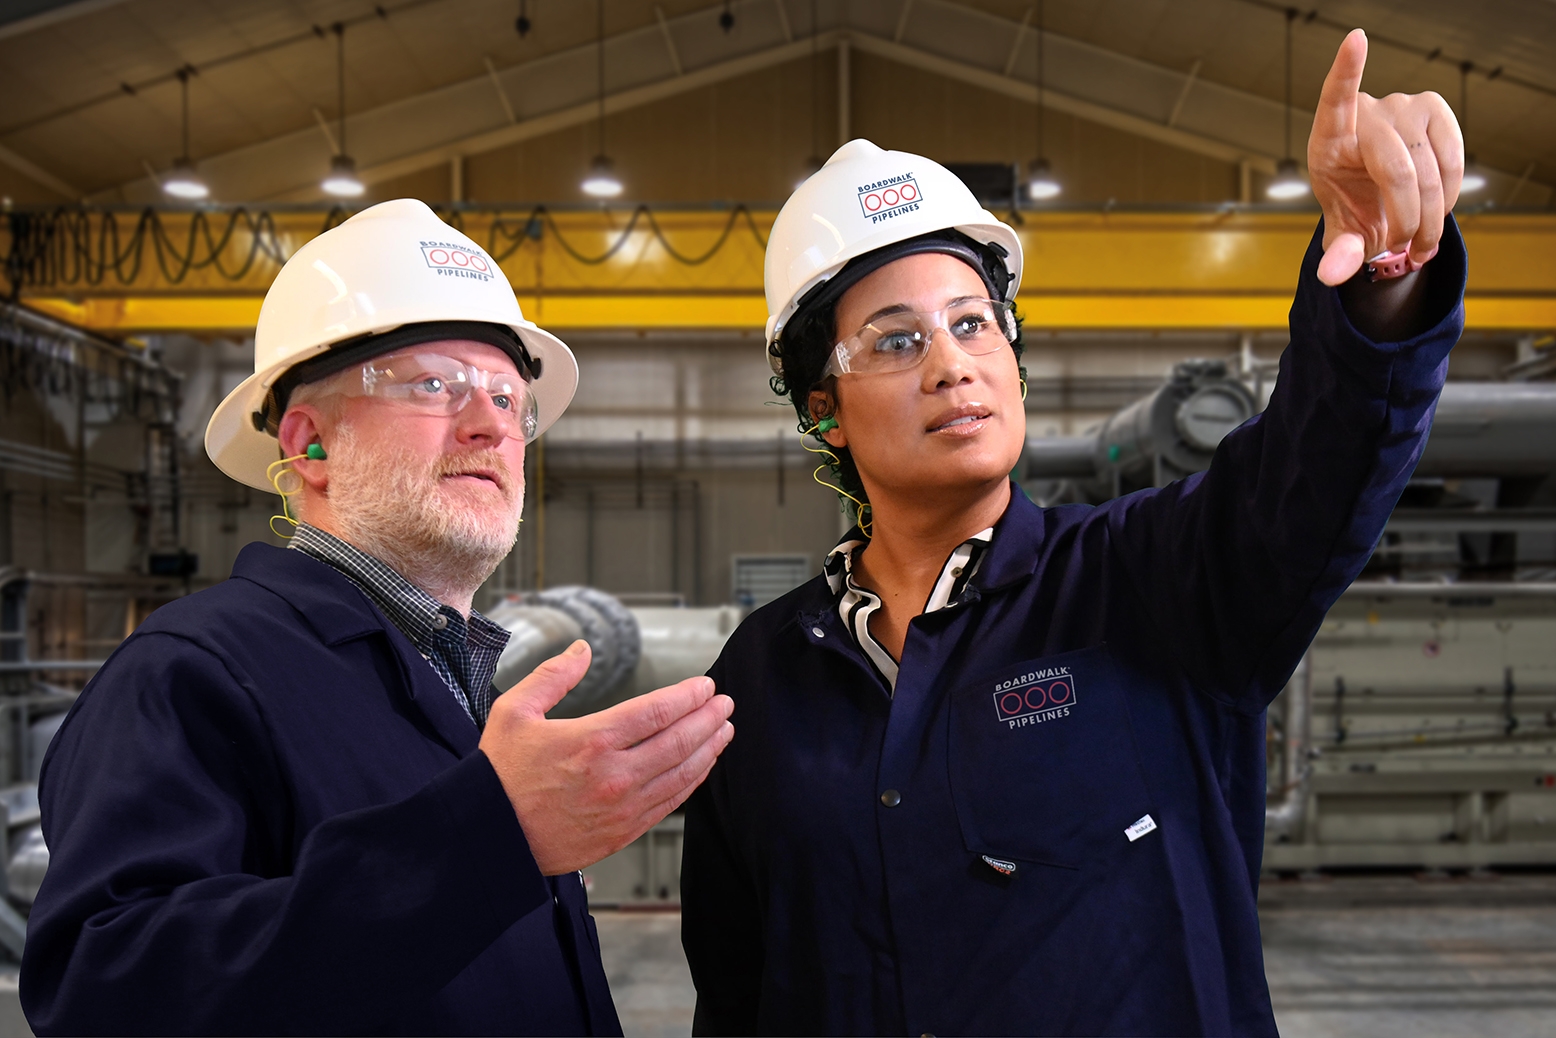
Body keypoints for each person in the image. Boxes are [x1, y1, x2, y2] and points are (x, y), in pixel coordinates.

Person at [681, 31, 1464, 1036]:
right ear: (823, 407)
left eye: (973, 322)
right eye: (896, 341)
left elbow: (1321, 465)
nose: (952, 365)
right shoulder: (763, 678)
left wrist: (1378, 283)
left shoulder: (1153, 585)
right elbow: (739, 993)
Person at [21, 199, 734, 1036]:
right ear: (309, 444)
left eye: (509, 398)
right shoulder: (191, 671)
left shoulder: (456, 678)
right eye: (434, 384)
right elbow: (106, 997)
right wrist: (485, 841)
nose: (489, 425)